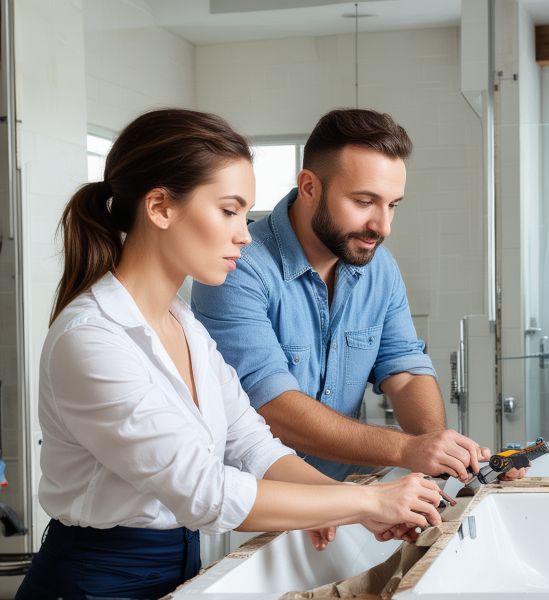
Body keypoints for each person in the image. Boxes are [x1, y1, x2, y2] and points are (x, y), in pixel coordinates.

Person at [16, 109, 443, 600]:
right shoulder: (92, 339)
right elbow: (205, 491)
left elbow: (252, 445)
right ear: (160, 207)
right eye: (228, 210)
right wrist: (365, 503)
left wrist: (345, 504)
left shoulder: (184, 324)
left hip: (180, 566)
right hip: (94, 582)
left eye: (245, 213)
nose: (244, 233)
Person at [192, 109, 526, 483]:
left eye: (392, 205)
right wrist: (406, 450)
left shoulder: (378, 267)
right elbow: (271, 407)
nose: (382, 226)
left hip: (350, 497)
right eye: (364, 202)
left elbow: (404, 368)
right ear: (309, 187)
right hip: (260, 504)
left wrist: (440, 447)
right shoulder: (238, 267)